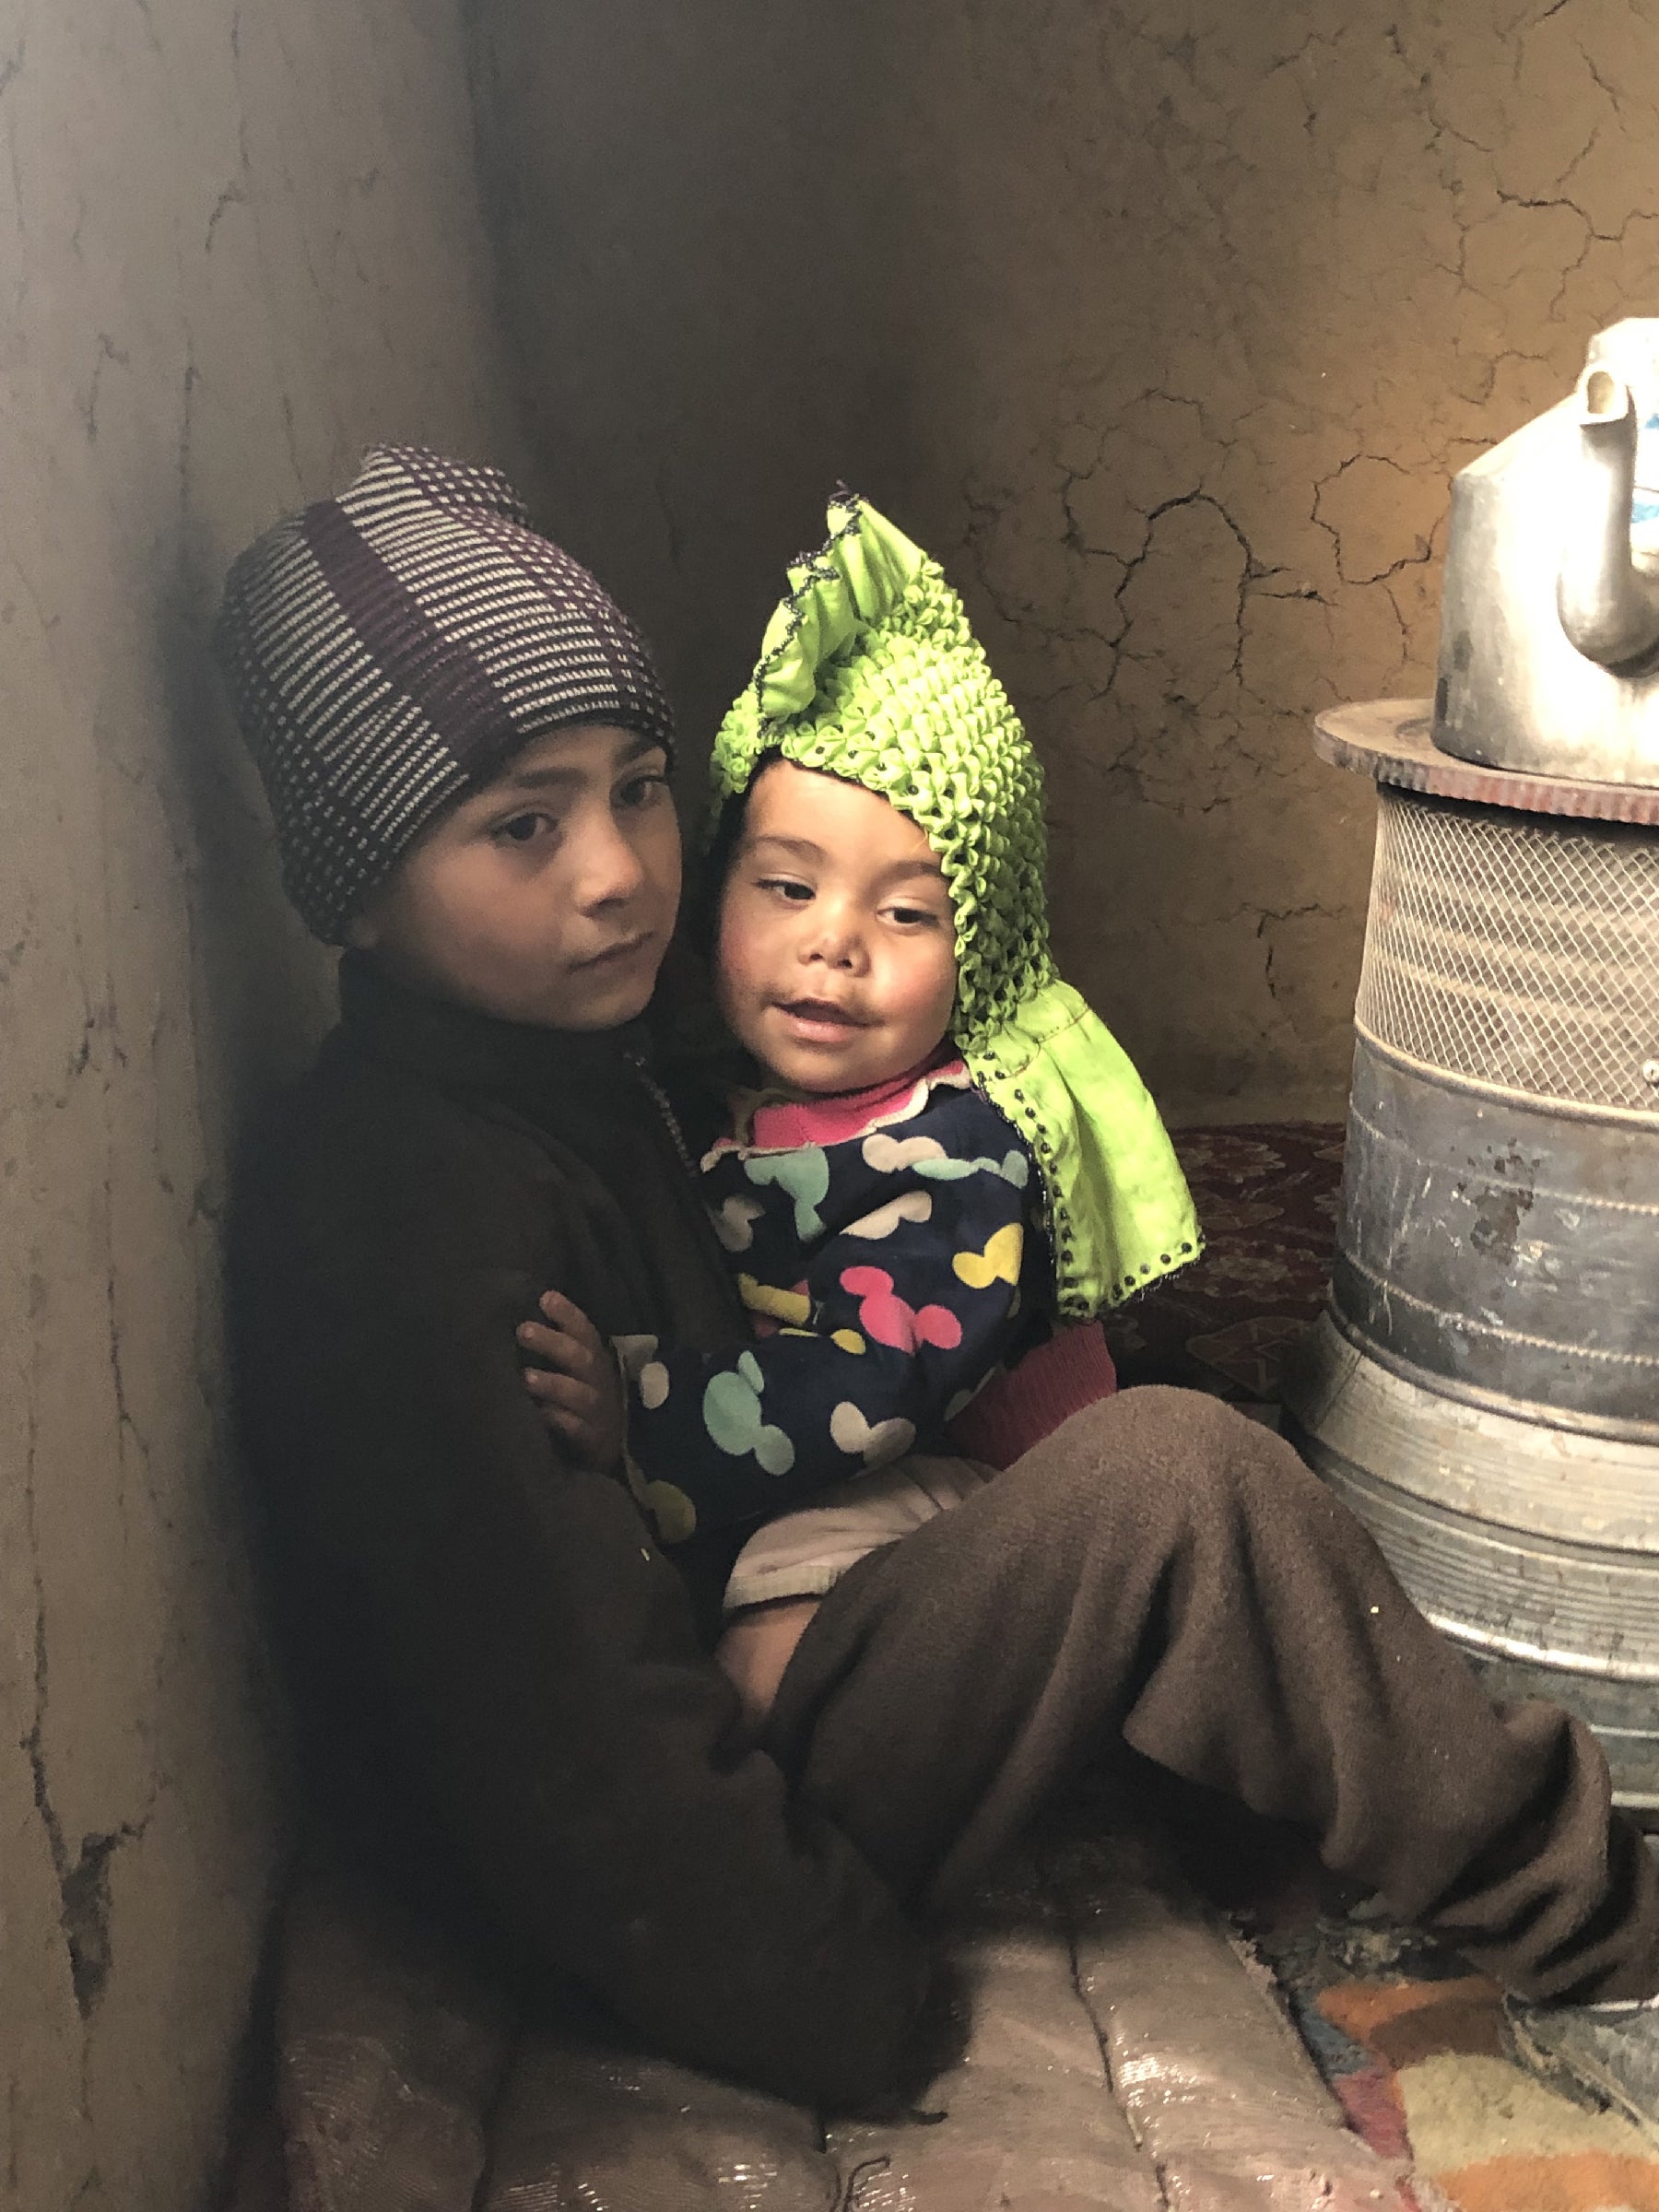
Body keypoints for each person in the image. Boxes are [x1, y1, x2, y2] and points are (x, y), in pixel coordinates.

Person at [220, 445, 1659, 2145]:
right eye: (519, 825)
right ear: (361, 895)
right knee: (1179, 1488)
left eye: (636, 787)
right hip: (730, 1809)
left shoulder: (574, 1053)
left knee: (1162, 1474)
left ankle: (1359, 1810)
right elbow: (563, 1744)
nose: (614, 872)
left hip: (788, 1613)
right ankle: (1612, 1930)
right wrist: (868, 2014)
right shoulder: (402, 1210)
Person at [513, 495, 1197, 1724]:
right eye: (787, 887)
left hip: (964, 1467)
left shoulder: (963, 1156)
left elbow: (866, 1393)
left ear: (978, 953)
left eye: (908, 913)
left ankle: (866, 1818)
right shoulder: (710, 1089)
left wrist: (641, 1419)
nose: (834, 949)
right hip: (798, 1432)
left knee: (768, 1650)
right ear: (718, 889)